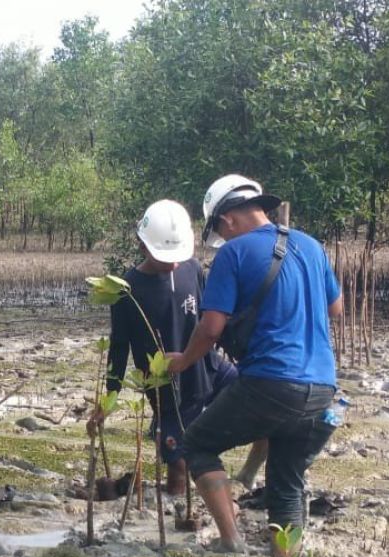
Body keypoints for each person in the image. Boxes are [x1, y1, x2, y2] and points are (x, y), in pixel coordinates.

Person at [168, 174, 343, 555]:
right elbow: (336, 307)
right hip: (322, 388)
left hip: (270, 382)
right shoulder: (311, 246)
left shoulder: (233, 253)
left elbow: (211, 328)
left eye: (219, 229)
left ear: (227, 219)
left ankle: (231, 542)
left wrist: (182, 361)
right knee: (287, 481)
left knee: (196, 445)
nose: (223, 238)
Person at [90, 199, 263, 496]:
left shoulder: (192, 268)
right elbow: (118, 349)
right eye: (163, 256)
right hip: (166, 387)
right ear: (143, 247)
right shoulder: (126, 291)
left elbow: (213, 319)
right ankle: (175, 507)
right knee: (178, 466)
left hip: (209, 368)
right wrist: (109, 400)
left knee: (264, 407)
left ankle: (247, 475)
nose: (172, 263)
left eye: (176, 255)